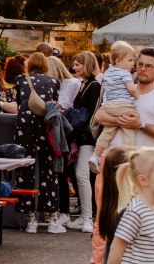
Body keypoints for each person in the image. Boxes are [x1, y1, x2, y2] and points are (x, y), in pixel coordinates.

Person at [16, 52, 65, 233]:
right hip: (46, 127)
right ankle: (52, 218)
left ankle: (30, 219)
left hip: (24, 128)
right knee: (48, 171)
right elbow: (54, 105)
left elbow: (19, 102)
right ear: (45, 65)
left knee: (25, 169)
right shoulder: (54, 82)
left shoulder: (20, 80)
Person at [94, 47, 154, 154]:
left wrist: (140, 125)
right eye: (140, 64)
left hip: (141, 162)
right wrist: (124, 121)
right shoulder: (121, 88)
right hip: (110, 157)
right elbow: (98, 116)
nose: (142, 69)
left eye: (148, 66)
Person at [68, 51, 103, 231]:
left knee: (82, 175)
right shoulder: (87, 84)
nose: (74, 67)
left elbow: (88, 115)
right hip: (83, 137)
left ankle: (87, 217)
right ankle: (86, 215)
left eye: (78, 65)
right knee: (82, 175)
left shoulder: (93, 86)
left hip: (88, 137)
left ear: (86, 65)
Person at [94, 43, 142, 151]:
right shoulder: (124, 73)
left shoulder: (107, 72)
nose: (133, 64)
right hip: (123, 105)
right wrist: (137, 94)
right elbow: (131, 88)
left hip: (109, 105)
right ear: (118, 61)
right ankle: (129, 153)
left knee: (107, 132)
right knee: (129, 132)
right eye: (130, 60)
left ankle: (96, 155)